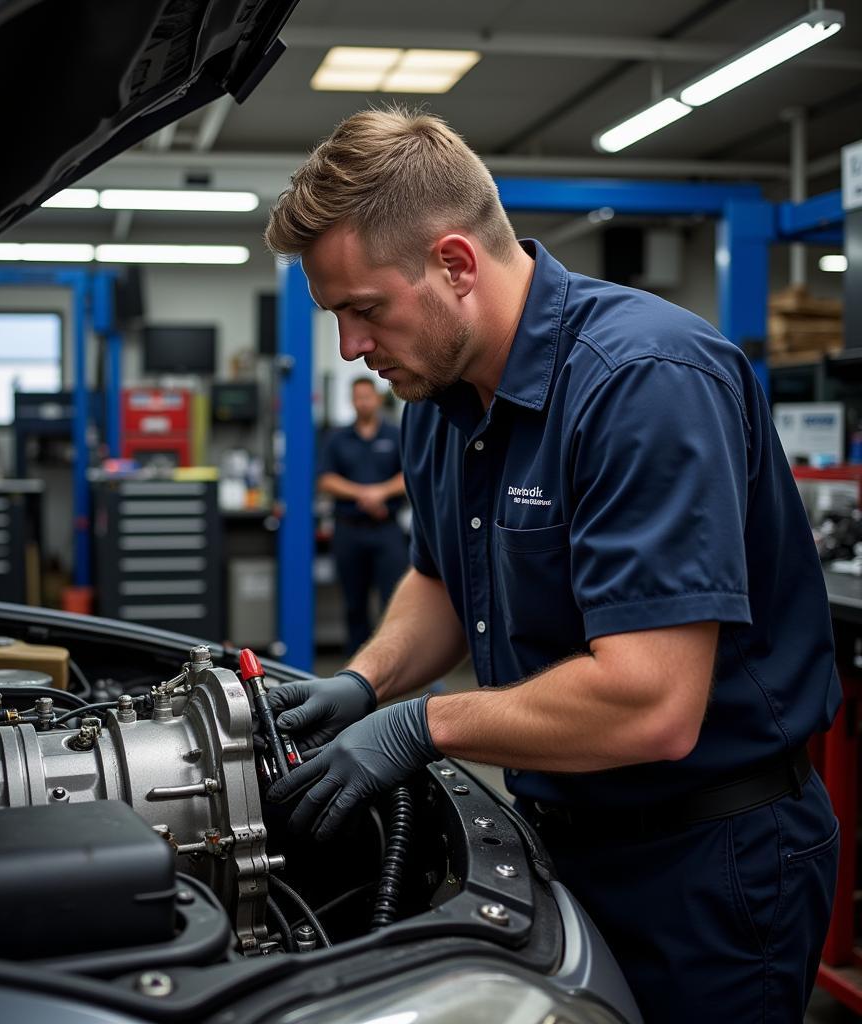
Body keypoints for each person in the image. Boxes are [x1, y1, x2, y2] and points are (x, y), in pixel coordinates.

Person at [261, 108, 841, 1022]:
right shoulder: (440, 403)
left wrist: (422, 725)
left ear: (455, 263)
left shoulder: (642, 382)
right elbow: (443, 580)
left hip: (708, 867)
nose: (351, 349)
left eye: (364, 310)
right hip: (558, 838)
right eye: (337, 317)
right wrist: (364, 683)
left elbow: (652, 702)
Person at [318, 376, 408, 655]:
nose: (362, 402)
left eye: (367, 397)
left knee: (393, 603)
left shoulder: (396, 434)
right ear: (351, 401)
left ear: (378, 399)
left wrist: (380, 492)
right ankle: (357, 670)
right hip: (349, 531)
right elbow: (326, 480)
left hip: (387, 531)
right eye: (357, 397)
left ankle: (393, 664)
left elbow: (410, 475)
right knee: (353, 604)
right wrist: (364, 494)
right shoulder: (336, 438)